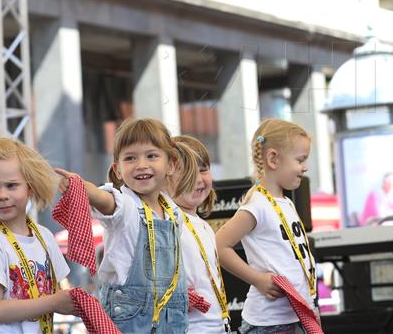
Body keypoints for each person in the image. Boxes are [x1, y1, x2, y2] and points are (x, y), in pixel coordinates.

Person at [55, 118, 197, 333]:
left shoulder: (172, 210)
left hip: (172, 318)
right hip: (131, 320)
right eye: (130, 158)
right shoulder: (127, 206)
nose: (141, 165)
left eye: (151, 156)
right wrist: (82, 186)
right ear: (118, 170)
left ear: (171, 165)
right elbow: (105, 200)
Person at [0, 138, 74, 333]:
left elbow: (58, 293)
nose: (2, 195)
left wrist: (86, 303)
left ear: (29, 187)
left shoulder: (45, 236)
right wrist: (53, 302)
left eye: (11, 185)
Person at [216, 119, 317, 334]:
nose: (305, 167)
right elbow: (219, 245)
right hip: (268, 324)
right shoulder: (258, 205)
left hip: (295, 317)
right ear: (273, 158)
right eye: (300, 159)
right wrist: (257, 279)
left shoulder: (287, 203)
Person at [170, 135, 230, 333]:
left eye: (203, 169)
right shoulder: (167, 222)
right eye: (186, 172)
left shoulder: (204, 227)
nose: (197, 179)